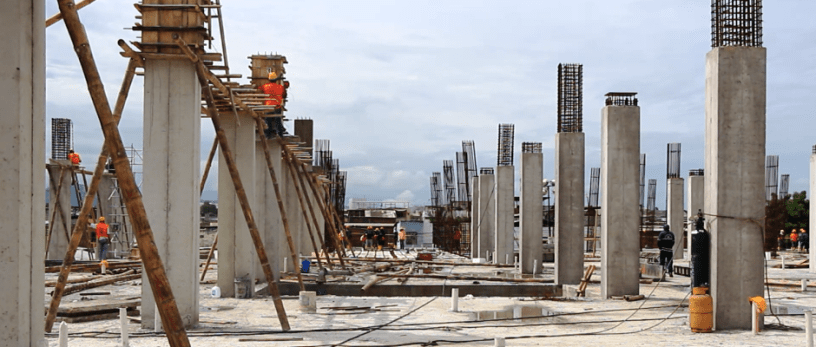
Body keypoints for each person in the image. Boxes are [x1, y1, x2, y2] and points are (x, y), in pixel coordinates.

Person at [258, 71, 289, 138]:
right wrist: (285, 87)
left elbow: (259, 89)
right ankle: (280, 135)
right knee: (278, 121)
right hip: (277, 106)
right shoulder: (280, 87)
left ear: (269, 79)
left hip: (268, 106)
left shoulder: (265, 86)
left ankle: (268, 135)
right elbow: (284, 95)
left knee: (268, 121)